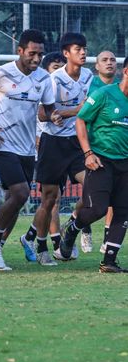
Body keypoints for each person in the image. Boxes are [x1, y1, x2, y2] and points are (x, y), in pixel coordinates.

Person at [0, 29, 57, 271]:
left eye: (40, 54)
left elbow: (48, 110)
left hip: (27, 148)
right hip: (2, 144)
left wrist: (57, 116)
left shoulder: (43, 78)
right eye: (32, 53)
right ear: (19, 51)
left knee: (13, 200)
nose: (36, 58)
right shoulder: (1, 73)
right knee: (21, 193)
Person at [58, 62, 128, 273]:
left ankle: (109, 262)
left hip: (125, 163)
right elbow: (81, 120)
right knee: (98, 208)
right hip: (100, 160)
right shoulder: (104, 94)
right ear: (126, 71)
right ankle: (72, 229)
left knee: (124, 212)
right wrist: (88, 153)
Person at [19, 52, 66, 259]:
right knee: (52, 199)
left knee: (54, 199)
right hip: (42, 150)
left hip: (62, 148)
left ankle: (31, 235)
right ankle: (54, 243)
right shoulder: (41, 91)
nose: (60, 71)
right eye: (56, 67)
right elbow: (39, 120)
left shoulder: (59, 94)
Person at [82, 50, 118, 253]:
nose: (109, 63)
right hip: (90, 148)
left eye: (113, 59)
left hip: (115, 152)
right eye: (104, 60)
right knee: (89, 199)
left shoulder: (120, 88)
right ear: (96, 66)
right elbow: (82, 114)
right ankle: (82, 227)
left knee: (115, 198)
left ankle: (107, 241)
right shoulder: (91, 86)